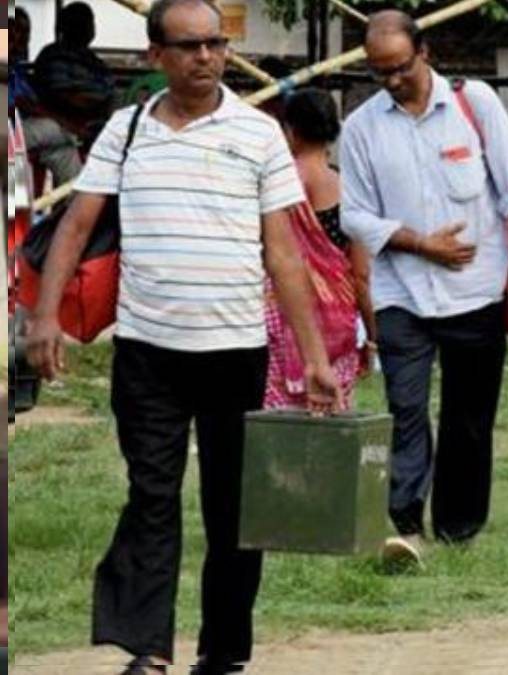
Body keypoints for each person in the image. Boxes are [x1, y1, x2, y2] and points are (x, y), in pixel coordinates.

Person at [22, 1, 341, 672]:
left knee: (235, 506)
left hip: (235, 351)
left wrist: (315, 359)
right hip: (147, 352)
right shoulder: (126, 131)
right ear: (154, 56)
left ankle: (223, 651)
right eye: (189, 46)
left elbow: (283, 254)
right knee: (151, 495)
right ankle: (149, 648)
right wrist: (44, 316)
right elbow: (77, 226)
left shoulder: (258, 135)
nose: (205, 57)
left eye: (215, 44)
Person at [340, 10, 508, 565]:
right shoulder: (362, 127)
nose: (391, 81)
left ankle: (458, 526)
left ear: (424, 52)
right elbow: (356, 217)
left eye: (400, 68)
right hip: (401, 292)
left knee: (468, 416)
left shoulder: (473, 104)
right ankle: (405, 522)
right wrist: (417, 243)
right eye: (379, 72)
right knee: (405, 408)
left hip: (475, 291)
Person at [264, 88, 376, 411]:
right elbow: (361, 273)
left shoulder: (278, 184)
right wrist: (371, 335)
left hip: (279, 314)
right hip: (337, 321)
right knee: (331, 413)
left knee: (276, 417)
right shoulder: (347, 189)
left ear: (291, 130)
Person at [9, 6, 85, 187]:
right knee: (53, 127)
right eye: (14, 30)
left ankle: (70, 208)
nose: (20, 38)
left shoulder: (16, 69)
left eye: (24, 31)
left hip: (23, 128)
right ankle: (79, 134)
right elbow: (20, 106)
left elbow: (32, 103)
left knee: (64, 152)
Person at [32, 2, 117, 152]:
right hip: (68, 119)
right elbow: (58, 96)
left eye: (91, 21)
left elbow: (108, 86)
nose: (90, 27)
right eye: (84, 22)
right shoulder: (54, 55)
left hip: (99, 116)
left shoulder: (91, 58)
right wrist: (91, 105)